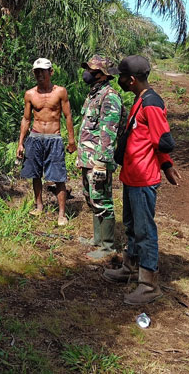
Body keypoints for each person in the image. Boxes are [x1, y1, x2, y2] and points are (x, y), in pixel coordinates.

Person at [102, 55, 181, 305]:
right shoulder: (140, 99)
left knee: (145, 231)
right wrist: (166, 163)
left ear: (132, 79)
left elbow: (161, 139)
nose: (119, 80)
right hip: (131, 175)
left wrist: (166, 162)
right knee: (131, 226)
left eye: (122, 77)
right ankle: (130, 267)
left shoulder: (152, 104)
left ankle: (148, 284)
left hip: (143, 178)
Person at [16, 58, 76, 226]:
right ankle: (39, 205)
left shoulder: (60, 92)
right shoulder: (30, 94)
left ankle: (62, 214)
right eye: (36, 71)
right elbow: (26, 119)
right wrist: (21, 143)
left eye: (43, 71)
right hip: (35, 137)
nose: (39, 74)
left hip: (54, 138)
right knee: (35, 173)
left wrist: (71, 140)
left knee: (58, 176)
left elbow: (68, 116)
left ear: (51, 72)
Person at [77, 55, 123, 259]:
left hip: (98, 160)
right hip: (87, 157)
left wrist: (102, 164)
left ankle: (107, 247)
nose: (87, 73)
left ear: (102, 75)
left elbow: (108, 132)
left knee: (102, 200)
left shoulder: (109, 96)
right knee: (91, 198)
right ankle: (97, 240)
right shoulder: (94, 94)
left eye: (92, 70)